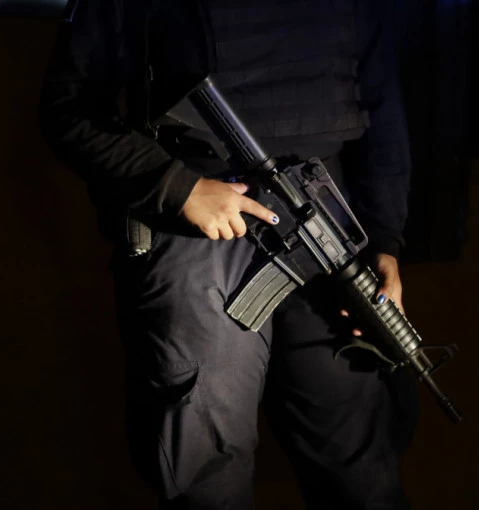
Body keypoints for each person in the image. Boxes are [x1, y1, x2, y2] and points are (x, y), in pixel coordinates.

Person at [39, 0, 419, 508]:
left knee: (361, 468)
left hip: (324, 225)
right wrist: (178, 188)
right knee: (207, 474)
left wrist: (385, 241)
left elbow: (383, 109)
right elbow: (67, 105)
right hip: (200, 229)